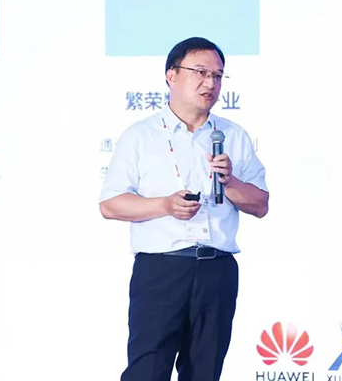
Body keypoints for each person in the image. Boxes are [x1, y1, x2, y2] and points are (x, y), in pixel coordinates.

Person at [99, 36, 269, 381]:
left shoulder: (233, 135)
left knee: (204, 373)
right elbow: (110, 204)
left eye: (218, 76)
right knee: (147, 372)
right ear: (171, 75)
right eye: (200, 72)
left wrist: (230, 182)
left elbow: (261, 204)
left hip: (217, 270)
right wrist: (164, 205)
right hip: (161, 269)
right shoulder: (140, 136)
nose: (211, 83)